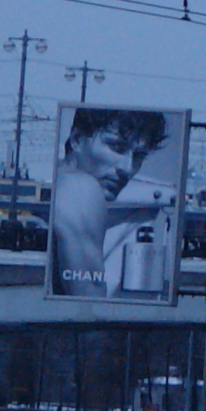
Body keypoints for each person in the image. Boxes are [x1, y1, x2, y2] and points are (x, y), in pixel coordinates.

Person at [50, 110, 174, 300]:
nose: (127, 168)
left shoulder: (59, 182)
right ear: (77, 139)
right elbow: (89, 305)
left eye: (139, 155)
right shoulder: (82, 188)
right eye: (116, 147)